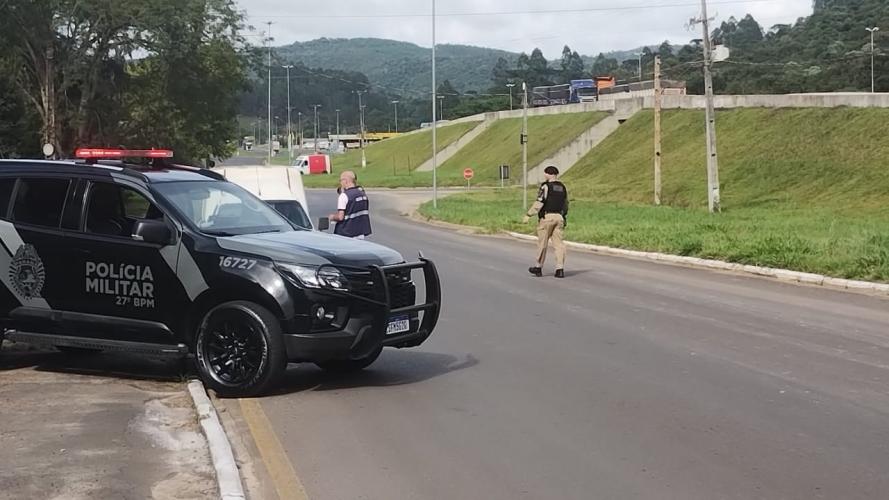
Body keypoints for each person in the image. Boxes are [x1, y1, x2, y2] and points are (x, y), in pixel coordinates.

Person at [522, 166, 568, 278]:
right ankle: (560, 269)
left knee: (542, 243)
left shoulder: (545, 186)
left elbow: (540, 202)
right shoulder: (562, 187)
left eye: (545, 174)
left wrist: (529, 214)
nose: (544, 176)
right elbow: (566, 204)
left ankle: (538, 267)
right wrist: (564, 216)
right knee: (559, 245)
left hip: (547, 217)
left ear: (549, 174)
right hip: (559, 217)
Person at [329, 171, 372, 239]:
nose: (340, 183)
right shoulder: (363, 195)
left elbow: (340, 217)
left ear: (345, 181)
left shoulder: (344, 196)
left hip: (346, 234)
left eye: (340, 180)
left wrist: (332, 217)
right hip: (360, 233)